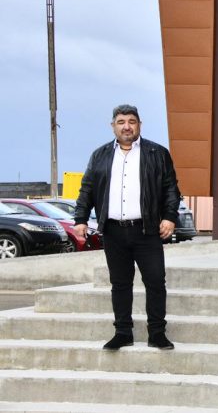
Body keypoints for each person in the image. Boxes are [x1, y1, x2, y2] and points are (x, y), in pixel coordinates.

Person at [74, 104, 181, 351]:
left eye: (132, 121)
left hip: (147, 231)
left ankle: (157, 333)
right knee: (120, 284)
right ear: (113, 126)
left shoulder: (157, 153)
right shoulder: (99, 155)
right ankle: (123, 332)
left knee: (155, 282)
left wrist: (170, 217)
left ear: (139, 125)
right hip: (113, 231)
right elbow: (87, 189)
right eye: (121, 121)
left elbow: (171, 189)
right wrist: (80, 218)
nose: (126, 126)